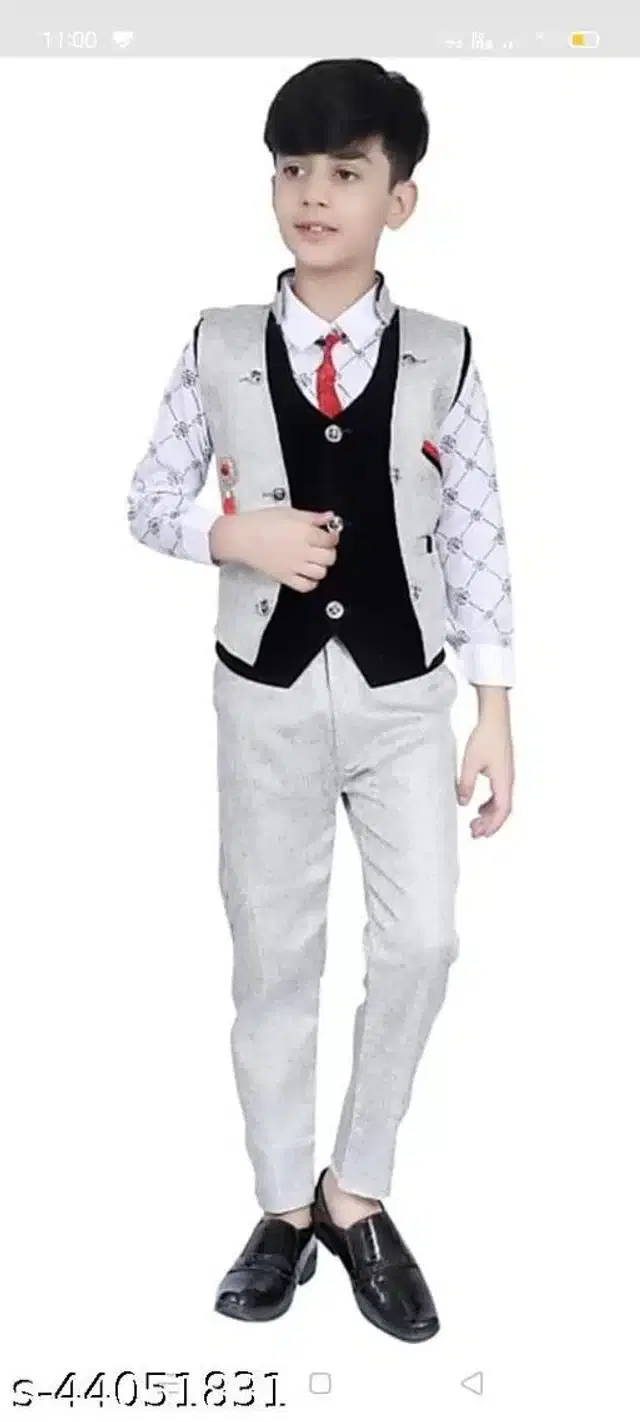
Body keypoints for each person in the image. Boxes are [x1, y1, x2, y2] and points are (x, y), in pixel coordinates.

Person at [127, 57, 515, 1343]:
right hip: (266, 696)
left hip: (406, 698)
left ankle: (359, 1190)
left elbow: (477, 533)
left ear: (398, 199)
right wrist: (230, 536)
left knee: (422, 943)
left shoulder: (445, 354)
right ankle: (284, 1207)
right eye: (292, 168)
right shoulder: (218, 343)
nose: (312, 193)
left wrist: (494, 707)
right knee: (273, 955)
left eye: (345, 171)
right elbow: (147, 500)